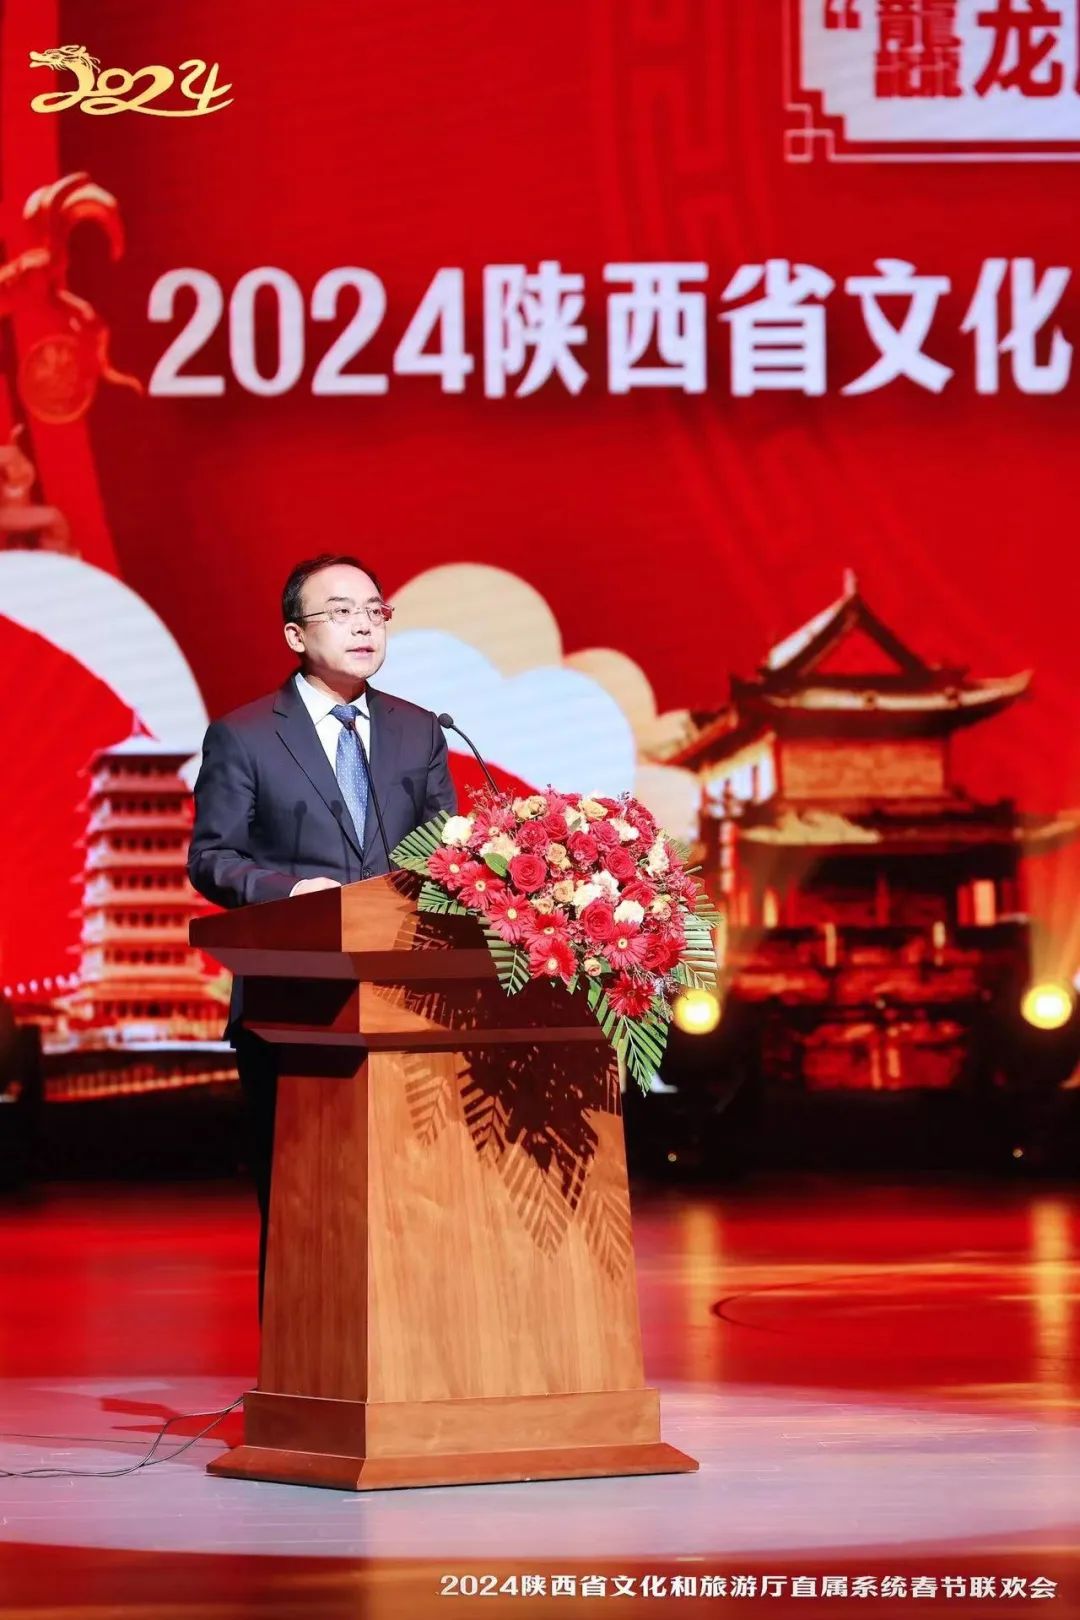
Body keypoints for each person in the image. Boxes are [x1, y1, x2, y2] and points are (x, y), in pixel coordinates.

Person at [187, 553, 457, 1309]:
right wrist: (291, 892)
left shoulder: (419, 731)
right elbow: (212, 858)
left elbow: (448, 851)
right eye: (341, 611)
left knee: (416, 1206)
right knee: (303, 1208)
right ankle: (299, 1359)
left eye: (375, 610)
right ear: (294, 634)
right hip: (293, 1006)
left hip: (408, 1004)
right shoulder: (244, 735)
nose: (364, 625)